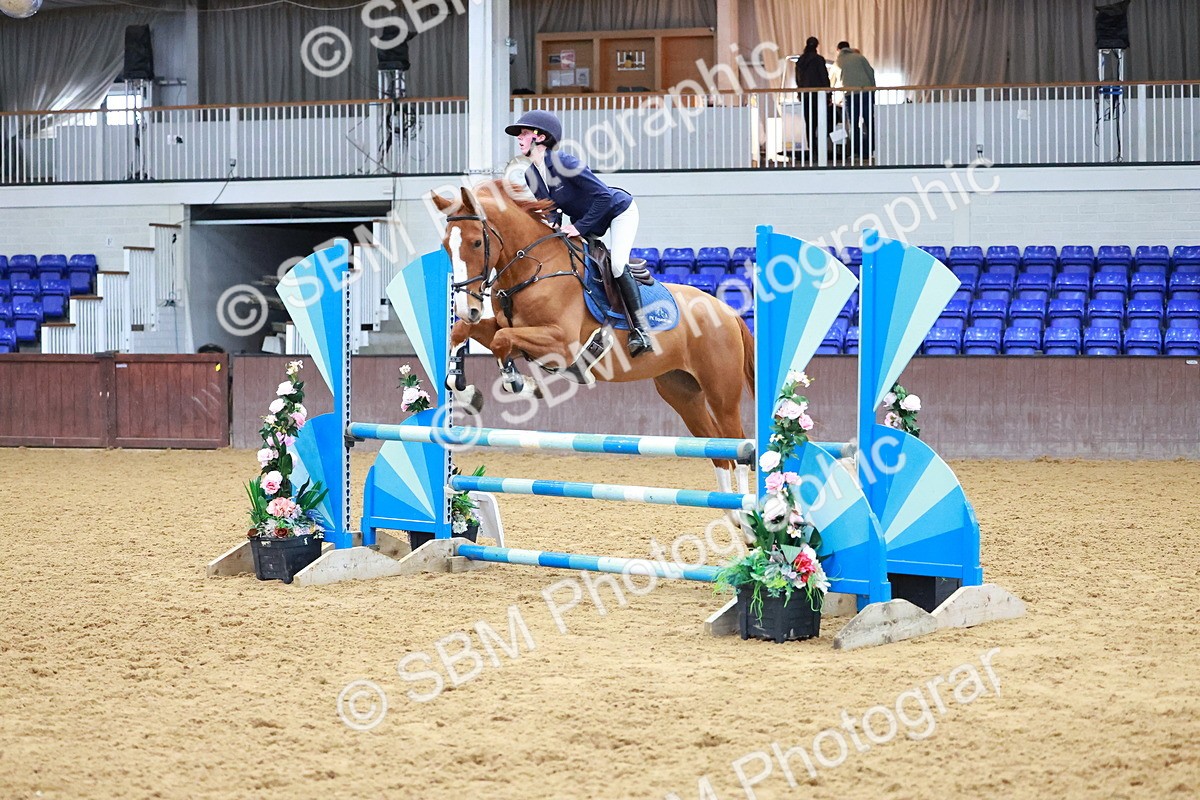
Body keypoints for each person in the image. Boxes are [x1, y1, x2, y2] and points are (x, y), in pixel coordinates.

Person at [504, 110, 651, 357]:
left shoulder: (565, 163)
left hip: (618, 211)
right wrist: (551, 226)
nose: (519, 138)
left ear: (540, 137)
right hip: (589, 222)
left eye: (525, 133)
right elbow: (551, 210)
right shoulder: (531, 175)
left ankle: (641, 330)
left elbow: (603, 195)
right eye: (519, 134)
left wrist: (578, 228)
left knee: (616, 265)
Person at [834, 41, 876, 162]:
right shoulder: (859, 57)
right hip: (866, 92)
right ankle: (871, 149)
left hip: (850, 94)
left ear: (838, 49)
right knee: (869, 122)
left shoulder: (838, 62)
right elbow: (871, 72)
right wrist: (873, 89)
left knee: (854, 124)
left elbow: (832, 80)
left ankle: (857, 151)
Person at [794, 37, 831, 165]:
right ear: (817, 46)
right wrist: (829, 94)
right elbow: (824, 77)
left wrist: (799, 93)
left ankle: (812, 151)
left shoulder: (800, 61)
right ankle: (821, 150)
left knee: (809, 124)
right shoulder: (818, 59)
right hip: (818, 95)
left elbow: (798, 79)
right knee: (821, 122)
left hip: (805, 95)